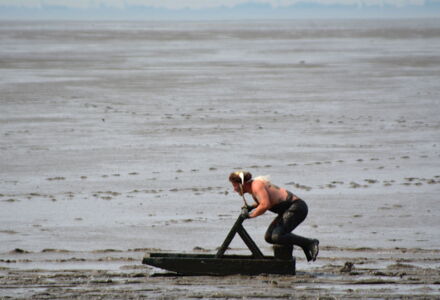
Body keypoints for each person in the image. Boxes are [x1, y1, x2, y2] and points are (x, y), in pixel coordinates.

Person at [228, 170, 319, 262]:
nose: (234, 189)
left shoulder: (256, 185)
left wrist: (250, 216)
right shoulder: (253, 188)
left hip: (296, 208)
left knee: (277, 236)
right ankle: (304, 244)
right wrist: (251, 207)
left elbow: (265, 204)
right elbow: (263, 200)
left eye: (234, 185)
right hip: (287, 211)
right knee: (269, 237)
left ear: (241, 184)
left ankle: (310, 243)